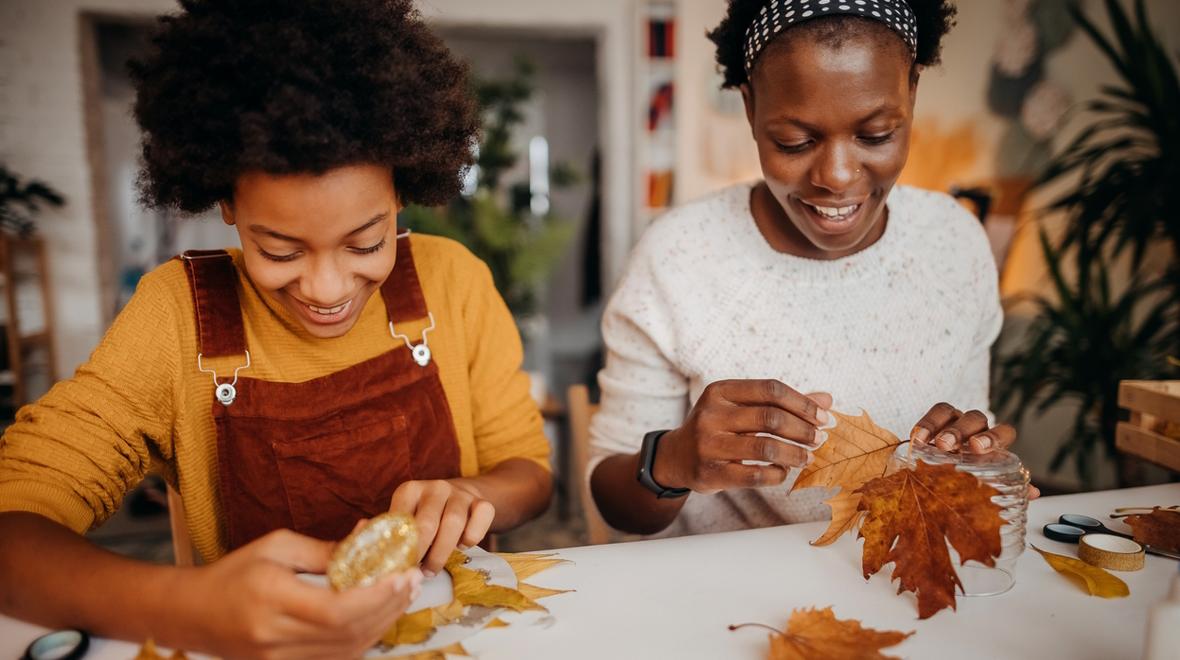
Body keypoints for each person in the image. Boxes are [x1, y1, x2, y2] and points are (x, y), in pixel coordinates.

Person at [0, 1, 552, 656]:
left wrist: (473, 494)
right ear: (226, 203)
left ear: (401, 194)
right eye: (281, 252)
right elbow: (14, 523)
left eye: (366, 243)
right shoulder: (177, 316)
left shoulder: (451, 284)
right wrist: (184, 607)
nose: (326, 289)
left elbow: (530, 472)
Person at [590, 0, 1037, 538]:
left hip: (902, 583)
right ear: (751, 107)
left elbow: (967, 434)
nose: (838, 177)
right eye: (795, 142)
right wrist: (674, 459)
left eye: (875, 135)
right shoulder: (676, 256)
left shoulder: (955, 242)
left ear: (912, 94)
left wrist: (967, 453)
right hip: (728, 603)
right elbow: (613, 499)